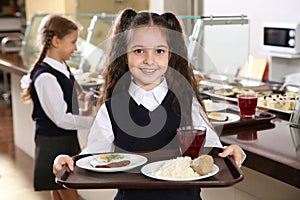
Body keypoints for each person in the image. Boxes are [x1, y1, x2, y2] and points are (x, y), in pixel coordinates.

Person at [53, 9, 245, 200]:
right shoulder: (111, 109)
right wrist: (69, 162)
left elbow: (211, 149)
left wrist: (232, 152)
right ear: (124, 56)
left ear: (170, 55)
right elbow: (93, 158)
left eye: (159, 51)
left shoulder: (187, 102)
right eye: (138, 51)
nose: (149, 60)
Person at [21, 15, 94, 200]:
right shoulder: (46, 77)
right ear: (56, 41)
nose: (76, 48)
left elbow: (65, 110)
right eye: (73, 42)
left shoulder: (61, 67)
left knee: (57, 189)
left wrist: (84, 110)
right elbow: (61, 119)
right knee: (69, 193)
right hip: (53, 144)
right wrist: (92, 122)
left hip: (63, 140)